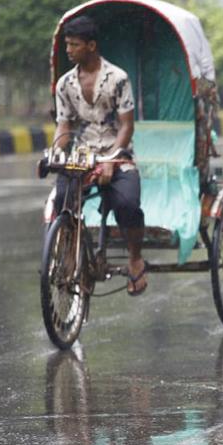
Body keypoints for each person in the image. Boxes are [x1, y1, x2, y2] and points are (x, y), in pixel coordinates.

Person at [51, 15, 147, 296]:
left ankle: (135, 257)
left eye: (74, 45)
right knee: (62, 199)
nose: (68, 50)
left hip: (116, 153)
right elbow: (64, 124)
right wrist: (56, 151)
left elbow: (127, 126)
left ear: (91, 45)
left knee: (127, 203)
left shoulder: (118, 78)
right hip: (81, 155)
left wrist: (112, 159)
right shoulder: (64, 84)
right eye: (67, 44)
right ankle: (70, 257)